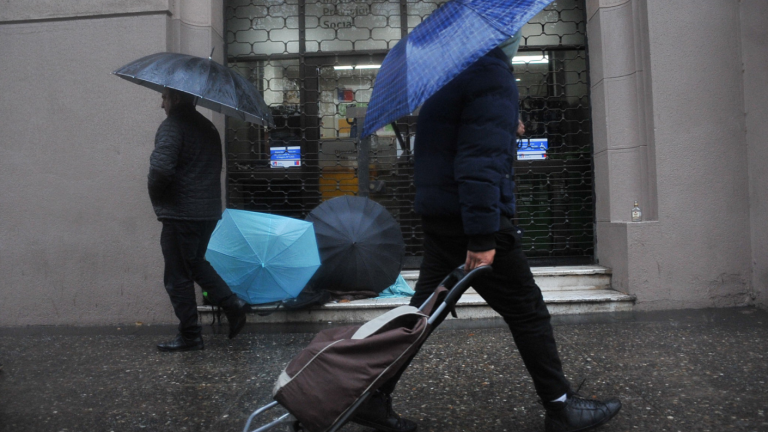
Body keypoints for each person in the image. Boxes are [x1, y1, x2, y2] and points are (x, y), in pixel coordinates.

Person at [351, 41, 622, 432]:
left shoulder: (450, 73)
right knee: (527, 312)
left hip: (442, 216)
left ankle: (372, 396)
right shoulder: (491, 73)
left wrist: (505, 123)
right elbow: (478, 165)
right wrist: (482, 238)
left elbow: (455, 141)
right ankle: (561, 407)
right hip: (473, 222)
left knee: (421, 314)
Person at [149, 88, 249, 352]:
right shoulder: (207, 126)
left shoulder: (173, 126)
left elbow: (160, 170)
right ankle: (232, 304)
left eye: (164, 97)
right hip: (206, 213)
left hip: (181, 214)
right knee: (193, 263)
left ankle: (191, 335)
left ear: (176, 98)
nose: (162, 104)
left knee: (177, 277)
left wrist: (158, 199)